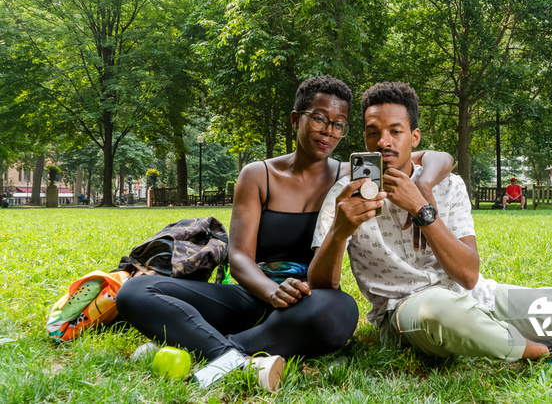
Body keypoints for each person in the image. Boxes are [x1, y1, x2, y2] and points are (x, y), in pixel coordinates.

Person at [308, 81, 552, 375]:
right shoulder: (345, 195)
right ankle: (546, 351)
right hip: (406, 314)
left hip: (482, 297)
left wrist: (423, 209)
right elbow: (323, 286)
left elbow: (467, 274)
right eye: (372, 132)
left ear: (415, 138)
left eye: (395, 131)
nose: (383, 142)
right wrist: (340, 230)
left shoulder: (447, 186)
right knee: (440, 310)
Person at [116, 76, 454, 391]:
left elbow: (439, 156)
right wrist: (270, 292)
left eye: (338, 124)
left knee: (340, 311)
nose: (328, 131)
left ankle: (214, 345)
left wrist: (423, 187)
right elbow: (238, 258)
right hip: (251, 294)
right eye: (319, 118)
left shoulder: (351, 175)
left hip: (306, 300)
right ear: (296, 119)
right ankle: (233, 355)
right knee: (135, 291)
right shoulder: (258, 175)